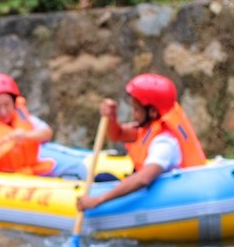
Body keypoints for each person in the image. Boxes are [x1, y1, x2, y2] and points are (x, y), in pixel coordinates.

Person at [76, 73, 206, 213]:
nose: (133, 114)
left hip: (166, 196)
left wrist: (98, 200)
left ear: (152, 111)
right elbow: (116, 135)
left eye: (136, 110)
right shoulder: (150, 126)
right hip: (150, 187)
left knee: (104, 181)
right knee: (103, 177)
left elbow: (143, 179)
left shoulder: (164, 143)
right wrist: (111, 117)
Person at [0, 74, 55, 175]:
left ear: (14, 103)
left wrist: (25, 135)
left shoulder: (27, 119)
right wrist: (0, 146)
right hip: (4, 178)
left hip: (32, 171)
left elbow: (47, 133)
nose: (3, 111)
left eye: (7, 104)